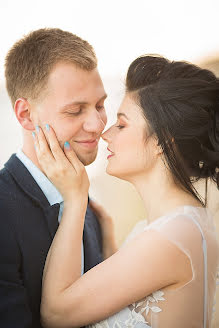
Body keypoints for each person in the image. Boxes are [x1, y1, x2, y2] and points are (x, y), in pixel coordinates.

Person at [35, 55, 219, 328]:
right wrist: (111, 247)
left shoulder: (172, 237)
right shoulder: (187, 224)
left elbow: (55, 314)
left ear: (161, 142)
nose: (105, 134)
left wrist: (75, 200)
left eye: (121, 125)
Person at [0, 28, 108, 328]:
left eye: (100, 105)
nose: (97, 124)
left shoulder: (90, 208)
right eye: (75, 111)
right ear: (25, 115)